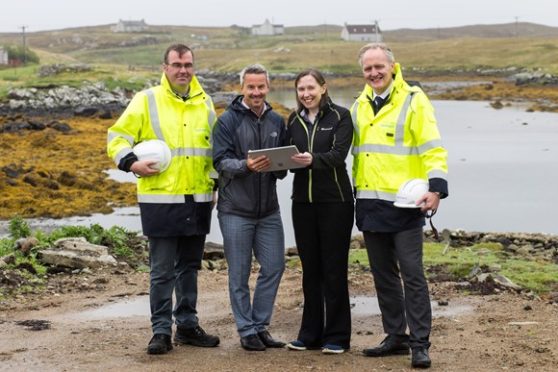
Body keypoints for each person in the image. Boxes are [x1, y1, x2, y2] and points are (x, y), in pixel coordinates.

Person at [107, 43, 220, 355]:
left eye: (187, 64)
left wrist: (216, 186)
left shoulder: (205, 102)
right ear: (165, 67)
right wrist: (131, 163)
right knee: (161, 270)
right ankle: (160, 331)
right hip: (160, 201)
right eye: (176, 65)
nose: (182, 70)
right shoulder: (146, 100)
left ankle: (186, 325)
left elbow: (213, 152)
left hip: (197, 199)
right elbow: (117, 137)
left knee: (189, 266)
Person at [351, 43, 448, 369]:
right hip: (369, 204)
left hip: (406, 206)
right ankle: (396, 336)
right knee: (383, 277)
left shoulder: (413, 99)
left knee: (413, 275)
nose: (374, 73)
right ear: (362, 72)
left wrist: (437, 189)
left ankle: (419, 343)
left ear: (392, 67)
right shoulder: (358, 105)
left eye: (379, 67)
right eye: (368, 69)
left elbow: (433, 148)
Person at [212, 64, 287, 351]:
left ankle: (260, 325)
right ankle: (246, 330)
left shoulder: (277, 121)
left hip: (269, 210)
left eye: (261, 87)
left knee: (275, 267)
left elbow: (280, 170)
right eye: (251, 87)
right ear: (242, 87)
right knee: (239, 273)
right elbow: (220, 162)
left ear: (268, 87)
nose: (256, 92)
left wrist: (284, 164)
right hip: (235, 211)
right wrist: (246, 165)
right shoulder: (227, 121)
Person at [284, 69, 354, 354]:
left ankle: (337, 336)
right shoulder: (294, 119)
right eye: (301, 89)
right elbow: (290, 158)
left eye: (311, 87)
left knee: (334, 269)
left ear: (323, 88)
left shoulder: (341, 116)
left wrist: (312, 160)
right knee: (310, 270)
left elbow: (338, 156)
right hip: (302, 203)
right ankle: (310, 334)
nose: (306, 94)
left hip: (335, 202)